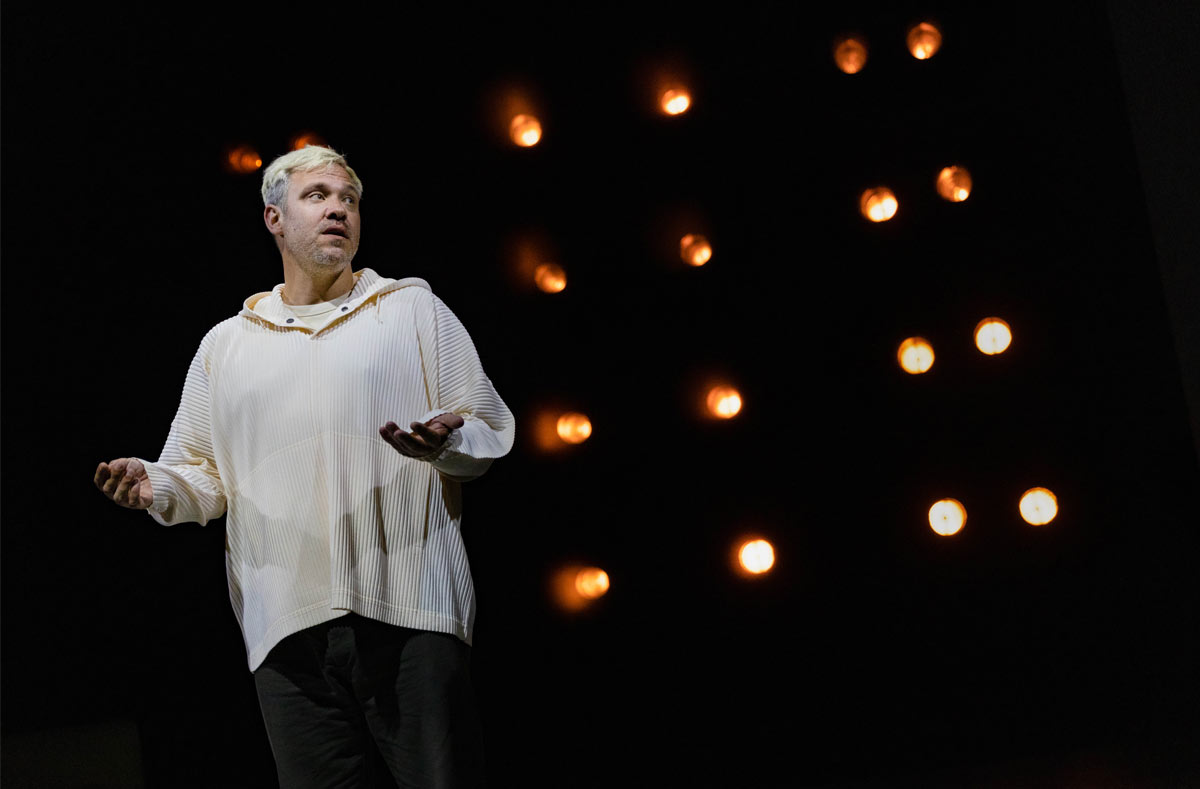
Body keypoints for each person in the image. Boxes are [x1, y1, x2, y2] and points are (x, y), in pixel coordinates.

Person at [93, 145, 514, 787]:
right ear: (273, 219)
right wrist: (157, 484)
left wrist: (446, 445)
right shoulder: (227, 345)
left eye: (348, 198)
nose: (338, 209)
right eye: (317, 196)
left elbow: (487, 427)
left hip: (410, 612)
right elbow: (198, 472)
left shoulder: (412, 311)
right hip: (286, 628)